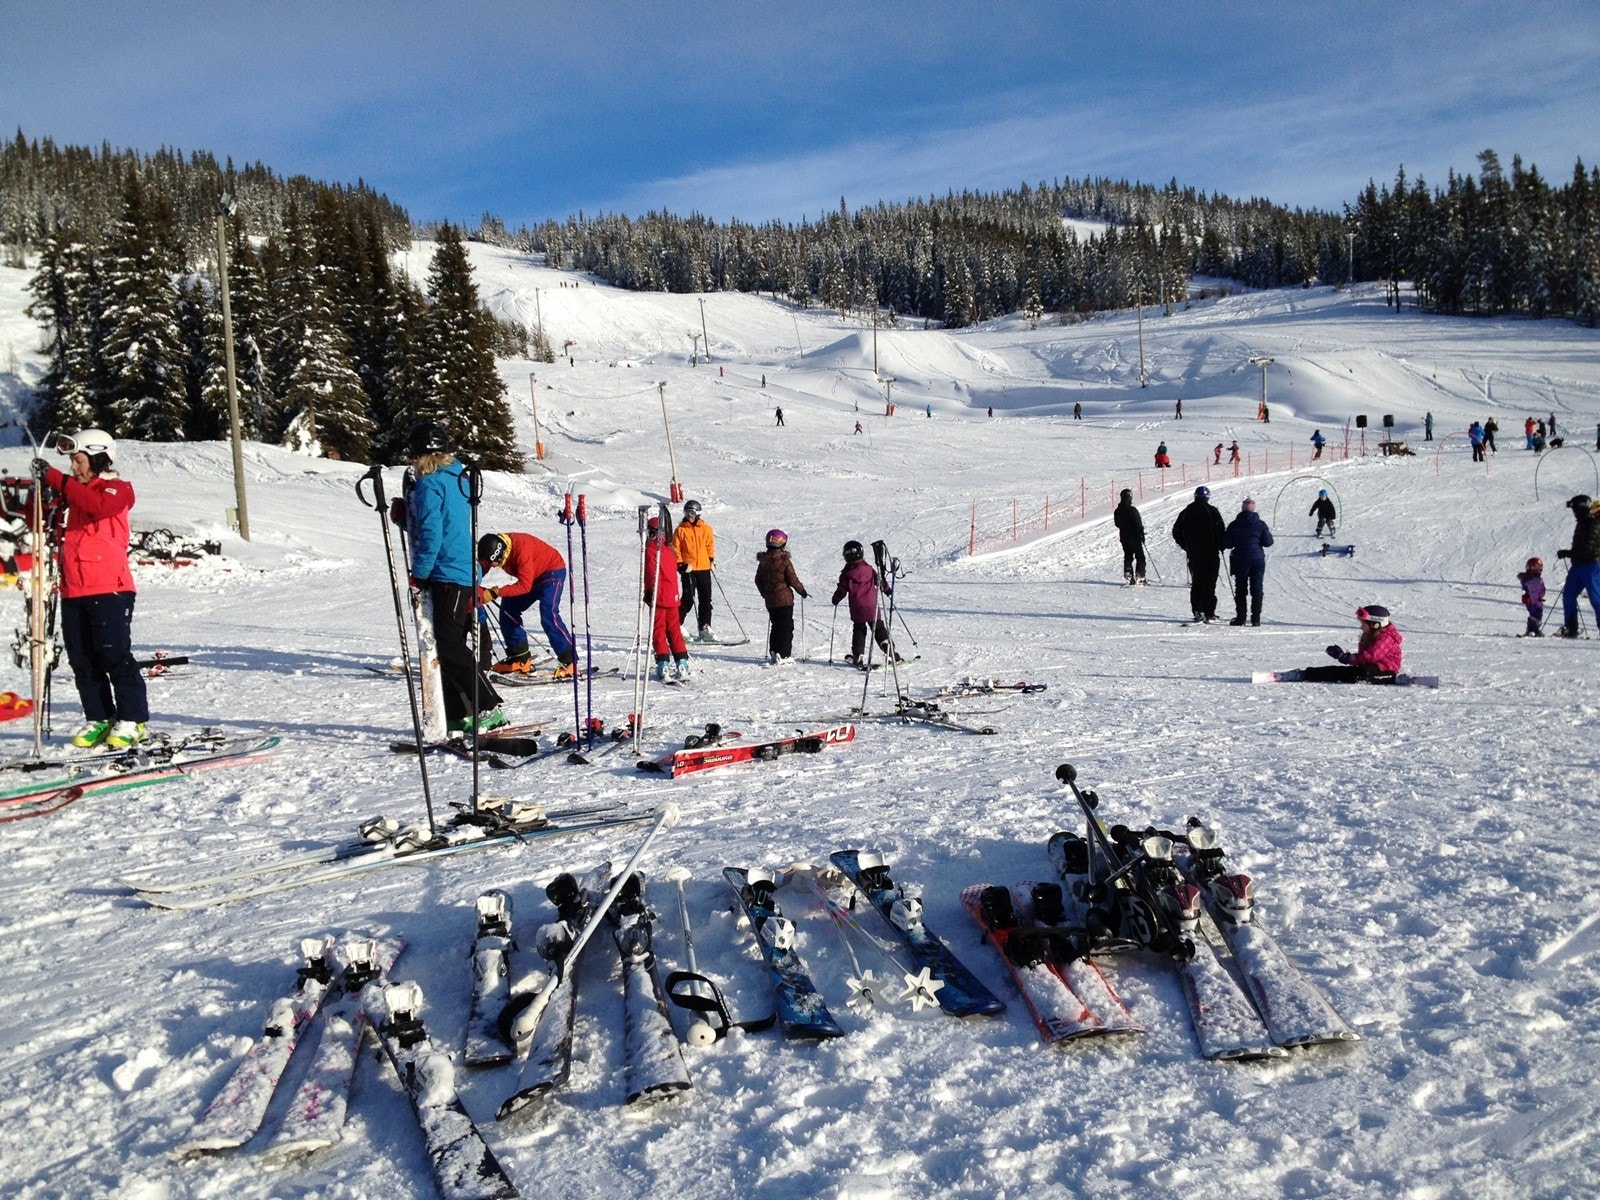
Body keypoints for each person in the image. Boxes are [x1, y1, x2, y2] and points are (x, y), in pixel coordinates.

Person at [35, 429, 149, 748]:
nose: (74, 467)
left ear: (98, 458)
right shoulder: (70, 493)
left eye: (79, 460)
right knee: (82, 659)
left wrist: (57, 478)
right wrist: (44, 487)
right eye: (72, 461)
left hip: (109, 588)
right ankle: (99, 717)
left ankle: (133, 719)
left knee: (113, 655)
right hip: (73, 590)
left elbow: (96, 506)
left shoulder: (117, 489)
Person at [404, 421, 506, 735]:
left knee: (447, 647)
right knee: (452, 646)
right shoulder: (457, 481)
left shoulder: (428, 486)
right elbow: (443, 527)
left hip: (447, 575)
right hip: (461, 572)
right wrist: (408, 514)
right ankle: (461, 712)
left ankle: (488, 706)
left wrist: (418, 574)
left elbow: (432, 535)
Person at [476, 531, 576, 677]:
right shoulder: (493, 548)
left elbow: (525, 586)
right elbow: (483, 567)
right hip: (531, 576)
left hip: (552, 572)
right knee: (508, 609)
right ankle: (520, 658)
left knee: (548, 612)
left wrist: (494, 592)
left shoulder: (521, 550)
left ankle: (570, 661)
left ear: (501, 555)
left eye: (494, 563)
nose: (493, 566)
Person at [831, 540, 897, 666]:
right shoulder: (870, 569)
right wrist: (888, 590)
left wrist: (836, 598)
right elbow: (880, 581)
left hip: (858, 607)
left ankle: (858, 656)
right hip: (872, 606)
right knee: (878, 629)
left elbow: (842, 590)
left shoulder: (847, 574)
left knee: (859, 630)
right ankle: (892, 654)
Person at [1299, 605, 1403, 682]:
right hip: (1370, 669)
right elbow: (1363, 660)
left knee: (1358, 675)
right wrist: (1342, 656)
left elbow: (1370, 656)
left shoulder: (1386, 638)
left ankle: (1399, 679)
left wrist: (1344, 657)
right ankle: (1307, 674)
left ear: (1375, 624)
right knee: (1345, 673)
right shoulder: (1369, 635)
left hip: (1386, 672)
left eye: (1364, 624)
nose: (1361, 627)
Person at [643, 514, 690, 680]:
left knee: (659, 631)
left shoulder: (651, 550)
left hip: (659, 596)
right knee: (674, 630)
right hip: (673, 596)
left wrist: (648, 593)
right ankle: (682, 662)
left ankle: (663, 663)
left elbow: (650, 573)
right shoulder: (670, 548)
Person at [1172, 486, 1226, 623]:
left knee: (1197, 582)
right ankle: (1209, 612)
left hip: (1194, 553)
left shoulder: (1186, 512)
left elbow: (1176, 530)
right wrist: (1221, 545)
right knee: (1209, 582)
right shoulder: (1212, 511)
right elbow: (1220, 530)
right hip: (1210, 553)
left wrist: (1186, 545)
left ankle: (1197, 610)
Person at [754, 529, 808, 664]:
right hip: (785, 601)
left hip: (771, 601)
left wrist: (765, 593)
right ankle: (783, 654)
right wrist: (801, 591)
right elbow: (792, 579)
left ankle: (774, 651)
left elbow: (758, 580)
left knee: (776, 625)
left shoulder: (763, 561)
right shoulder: (784, 560)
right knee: (786, 627)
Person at [1554, 494, 1600, 638]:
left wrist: (1568, 553)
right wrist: (1570, 553)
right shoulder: (1581, 523)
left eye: (1574, 509)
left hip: (1591, 566)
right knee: (1568, 595)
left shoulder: (1593, 524)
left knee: (1596, 599)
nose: (1573, 512)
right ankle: (1571, 627)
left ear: (1581, 509)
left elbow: (1587, 548)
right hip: (1578, 567)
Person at [1223, 498, 1273, 626]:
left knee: (1240, 588)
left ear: (1242, 508)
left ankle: (1241, 618)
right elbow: (1268, 542)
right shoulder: (1261, 524)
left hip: (1240, 559)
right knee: (1257, 587)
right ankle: (1256, 619)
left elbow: (1228, 544)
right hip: (1257, 559)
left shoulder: (1234, 524)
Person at [673, 499, 716, 641]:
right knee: (688, 598)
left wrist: (711, 559)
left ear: (698, 513)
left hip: (703, 568)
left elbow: (709, 545)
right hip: (688, 569)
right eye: (687, 512)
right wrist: (680, 564)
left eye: (692, 512)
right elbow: (675, 549)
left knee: (705, 599)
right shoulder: (680, 530)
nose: (689, 515)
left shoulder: (706, 528)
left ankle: (705, 627)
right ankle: (677, 625)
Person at [1112, 489, 1146, 585]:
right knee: (1140, 557)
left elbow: (1117, 524)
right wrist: (1141, 535)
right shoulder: (1132, 510)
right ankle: (1140, 577)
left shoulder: (1117, 511)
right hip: (1134, 537)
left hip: (1124, 537)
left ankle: (1128, 575)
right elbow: (1138, 524)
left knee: (1128, 556)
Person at [1518, 556, 1545, 637]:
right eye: (1536, 567)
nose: (1539, 569)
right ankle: (1531, 630)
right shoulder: (1532, 579)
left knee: (1538, 616)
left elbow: (1541, 591)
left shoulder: (1535, 579)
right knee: (1535, 615)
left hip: (1536, 601)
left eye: (1540, 567)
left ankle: (1536, 630)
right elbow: (1534, 591)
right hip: (1533, 602)